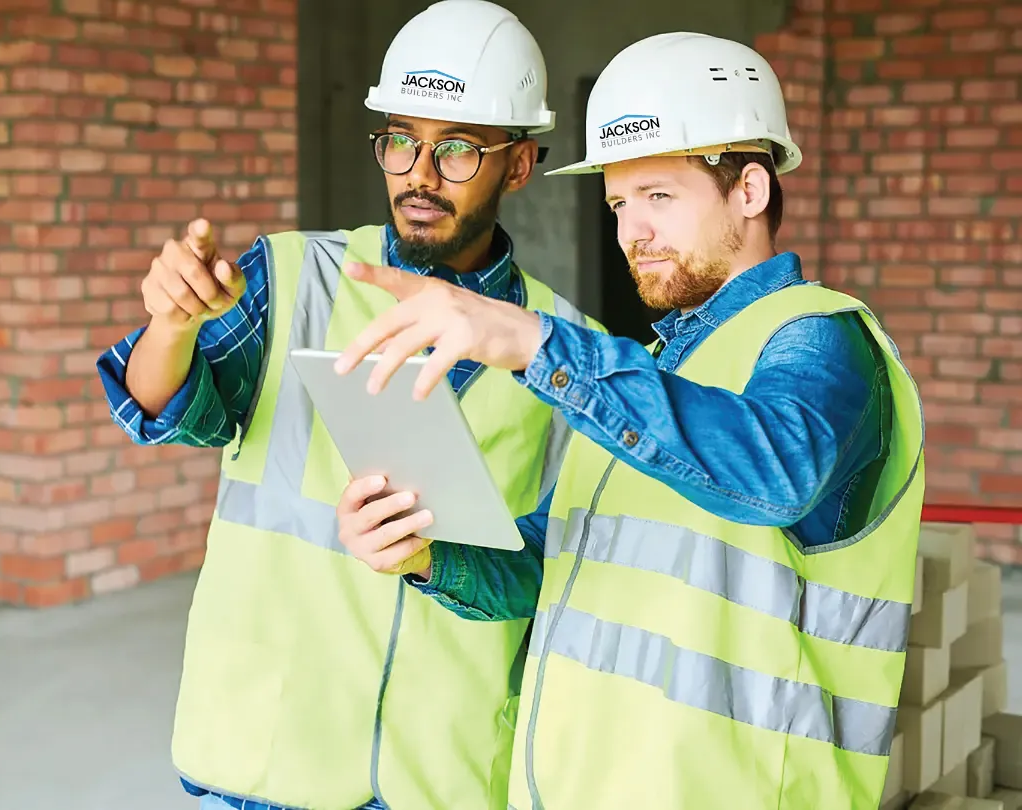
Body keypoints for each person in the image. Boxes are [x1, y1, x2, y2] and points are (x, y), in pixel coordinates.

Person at [333, 32, 925, 810]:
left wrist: (533, 341)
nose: (630, 231)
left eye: (660, 197)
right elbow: (553, 565)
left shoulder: (821, 337)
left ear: (749, 191)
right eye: (618, 202)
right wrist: (423, 558)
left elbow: (776, 474)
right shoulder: (647, 369)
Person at [95, 3, 604, 809]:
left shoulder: (567, 349)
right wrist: (171, 327)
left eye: (459, 149)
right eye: (401, 140)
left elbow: (553, 572)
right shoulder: (294, 276)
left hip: (444, 773)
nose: (420, 175)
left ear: (520, 165)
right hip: (269, 762)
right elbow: (165, 410)